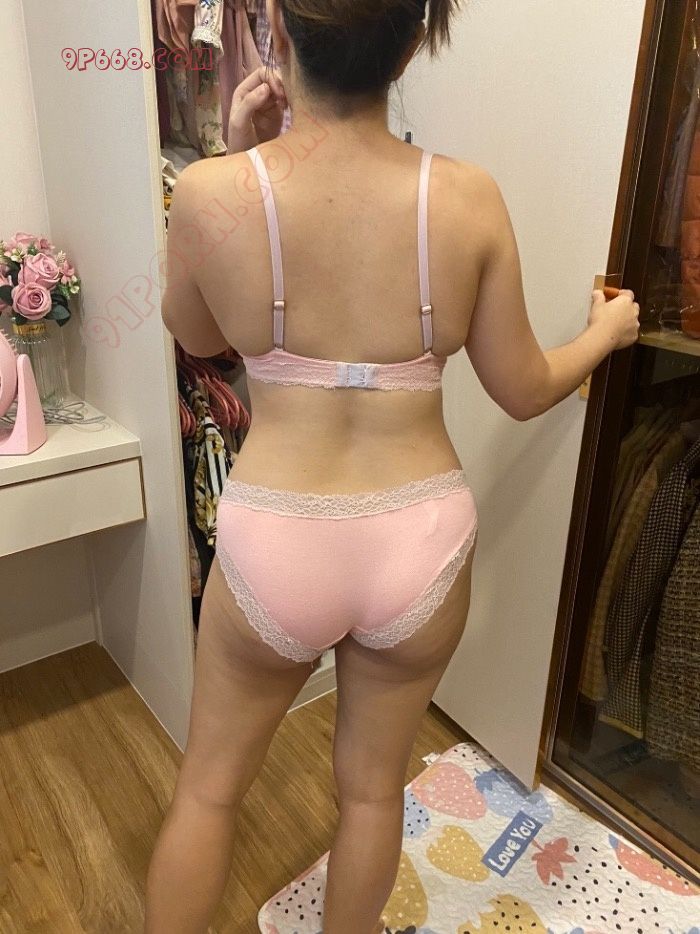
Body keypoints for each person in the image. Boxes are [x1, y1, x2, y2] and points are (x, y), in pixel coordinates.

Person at [145, 1, 640, 931]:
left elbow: (199, 336)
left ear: (277, 30)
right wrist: (606, 333)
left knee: (209, 791)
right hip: (419, 537)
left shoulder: (212, 190)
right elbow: (525, 387)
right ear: (414, 43)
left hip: (277, 538)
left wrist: (241, 157)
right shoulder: (469, 198)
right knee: (372, 796)